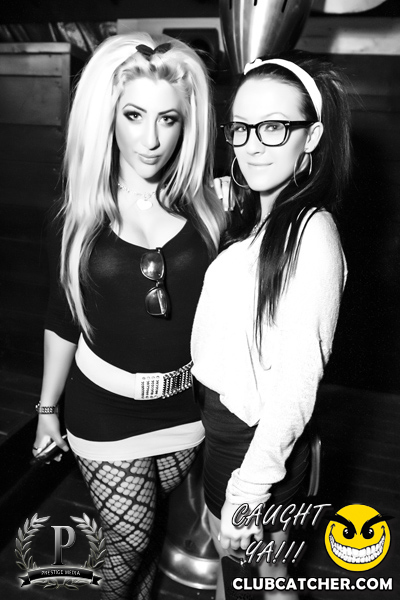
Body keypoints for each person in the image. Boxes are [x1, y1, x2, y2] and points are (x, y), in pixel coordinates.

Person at [32, 32, 226, 600]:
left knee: (143, 539)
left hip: (184, 410)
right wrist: (46, 409)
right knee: (131, 537)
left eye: (169, 119)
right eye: (134, 115)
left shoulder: (208, 207)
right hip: (103, 409)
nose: (151, 139)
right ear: (108, 118)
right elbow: (63, 315)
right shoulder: (77, 215)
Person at [191, 50, 352, 599]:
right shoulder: (262, 217)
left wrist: (248, 490)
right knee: (268, 575)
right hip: (237, 432)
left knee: (245, 578)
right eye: (241, 127)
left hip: (253, 444)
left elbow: (298, 381)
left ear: (312, 137)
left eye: (275, 127)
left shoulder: (311, 234)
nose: (253, 144)